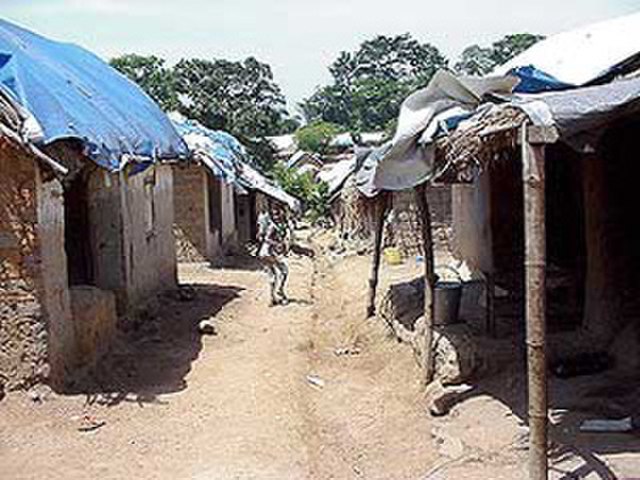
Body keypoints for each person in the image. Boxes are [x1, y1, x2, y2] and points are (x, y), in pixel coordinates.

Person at [257, 206, 291, 306]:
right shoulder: (273, 226)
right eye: (276, 215)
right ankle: (280, 292)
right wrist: (277, 244)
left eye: (278, 214)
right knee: (284, 271)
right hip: (268, 252)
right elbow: (267, 239)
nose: (277, 217)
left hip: (264, 252)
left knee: (272, 275)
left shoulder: (275, 225)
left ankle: (272, 298)